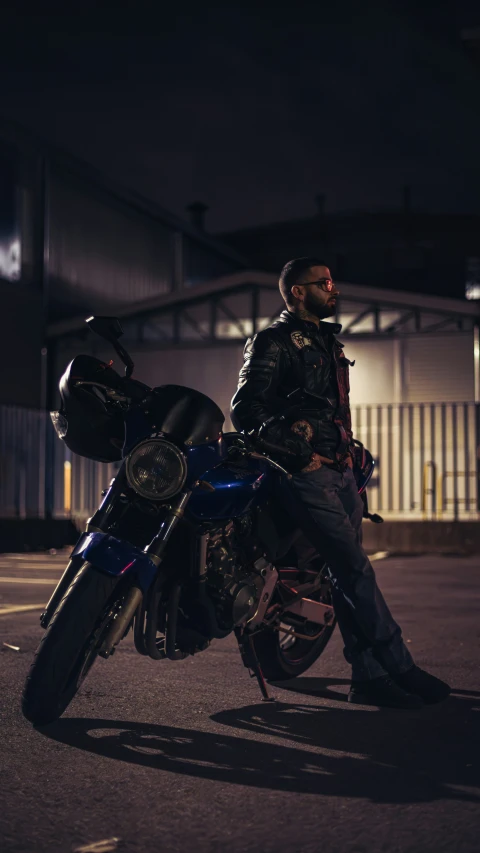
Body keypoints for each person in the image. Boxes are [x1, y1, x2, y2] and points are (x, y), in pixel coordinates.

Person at [230, 257, 450, 708]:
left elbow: (326, 410)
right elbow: (246, 409)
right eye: (324, 282)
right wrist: (298, 452)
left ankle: (367, 679)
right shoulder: (273, 341)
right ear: (297, 291)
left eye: (333, 282)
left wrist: (347, 451)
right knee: (353, 569)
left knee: (342, 576)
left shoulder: (326, 342)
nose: (334, 289)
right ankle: (400, 666)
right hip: (305, 474)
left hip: (339, 470)